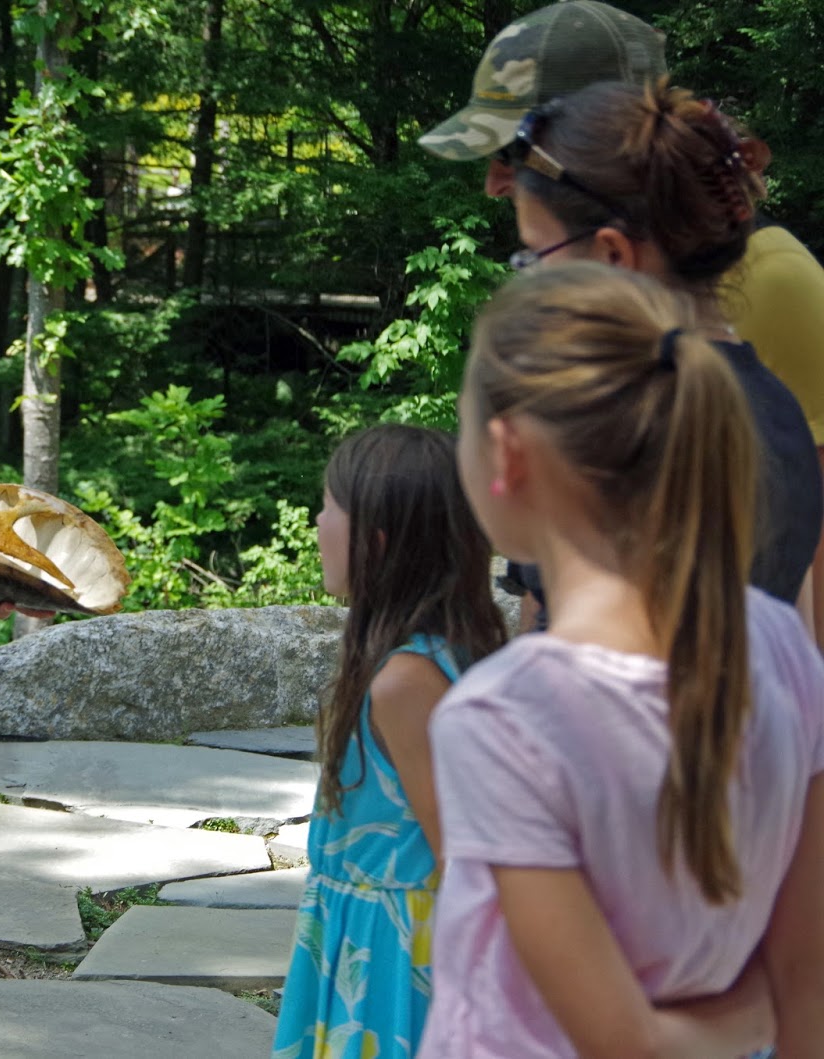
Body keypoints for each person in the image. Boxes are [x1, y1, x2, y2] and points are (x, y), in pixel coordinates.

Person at [421, 260, 824, 1056]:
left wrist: (756, 1012)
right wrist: (759, 1014)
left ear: (505, 453)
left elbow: (624, 1044)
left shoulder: (501, 718)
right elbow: (805, 979)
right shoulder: (784, 648)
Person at [421, 0, 824, 640]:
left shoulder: (768, 283)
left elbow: (801, 565)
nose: (494, 182)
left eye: (517, 148)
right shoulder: (603, 287)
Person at [272, 424, 505, 1059]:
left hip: (394, 965)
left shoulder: (406, 683)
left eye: (328, 506)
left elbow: (463, 857)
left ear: (375, 542)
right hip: (363, 938)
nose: (317, 522)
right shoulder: (417, 660)